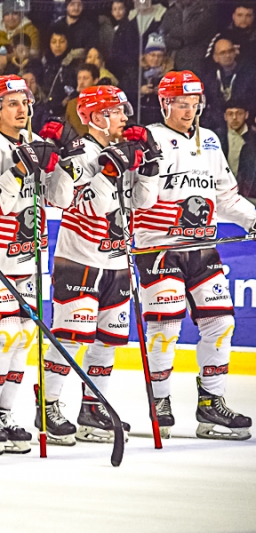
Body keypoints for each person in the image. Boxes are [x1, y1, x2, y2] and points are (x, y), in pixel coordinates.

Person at [133, 71, 255, 440]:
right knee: (166, 325)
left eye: (194, 103)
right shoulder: (150, 137)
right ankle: (160, 401)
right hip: (159, 246)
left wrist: (254, 219)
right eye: (181, 104)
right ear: (165, 103)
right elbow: (138, 200)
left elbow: (226, 198)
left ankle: (211, 405)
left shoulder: (212, 141)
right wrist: (148, 169)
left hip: (201, 247)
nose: (189, 111)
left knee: (221, 323)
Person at [0, 74, 74, 455]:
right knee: (1, 335)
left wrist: (62, 160)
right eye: (11, 103)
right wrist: (21, 170)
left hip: (26, 257)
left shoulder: (34, 142)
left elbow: (60, 200)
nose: (21, 108)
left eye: (24, 101)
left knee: (22, 338)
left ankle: (5, 412)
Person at [38, 86, 159, 444]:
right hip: (80, 260)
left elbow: (143, 201)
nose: (125, 117)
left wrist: (149, 164)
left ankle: (93, 407)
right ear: (96, 117)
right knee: (71, 338)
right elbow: (87, 204)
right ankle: (48, 404)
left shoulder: (125, 149)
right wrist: (109, 170)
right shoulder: (81, 151)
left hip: (117, 259)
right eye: (117, 111)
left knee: (107, 341)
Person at [200, 37, 256, 132]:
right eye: (222, 53)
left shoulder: (250, 73)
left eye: (230, 51)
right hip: (217, 124)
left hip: (245, 123)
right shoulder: (209, 77)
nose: (227, 55)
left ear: (235, 53)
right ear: (215, 57)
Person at [161, 0, 218, 73]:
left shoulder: (206, 8)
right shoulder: (173, 10)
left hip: (198, 60)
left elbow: (190, 32)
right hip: (175, 61)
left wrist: (172, 32)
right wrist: (179, 43)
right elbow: (163, 34)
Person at [0, 3, 39, 75]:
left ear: (20, 15)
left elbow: (34, 53)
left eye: (15, 14)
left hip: (24, 72)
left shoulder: (30, 30)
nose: (11, 17)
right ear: (2, 17)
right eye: (7, 14)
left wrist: (7, 58)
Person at [215, 101, 255, 179]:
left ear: (246, 115)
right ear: (225, 116)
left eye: (239, 113)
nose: (234, 118)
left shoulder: (253, 138)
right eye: (230, 114)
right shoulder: (216, 137)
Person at [65, 63, 100, 136]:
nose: (81, 82)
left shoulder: (102, 103)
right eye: (79, 78)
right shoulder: (71, 104)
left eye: (85, 78)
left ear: (95, 80)